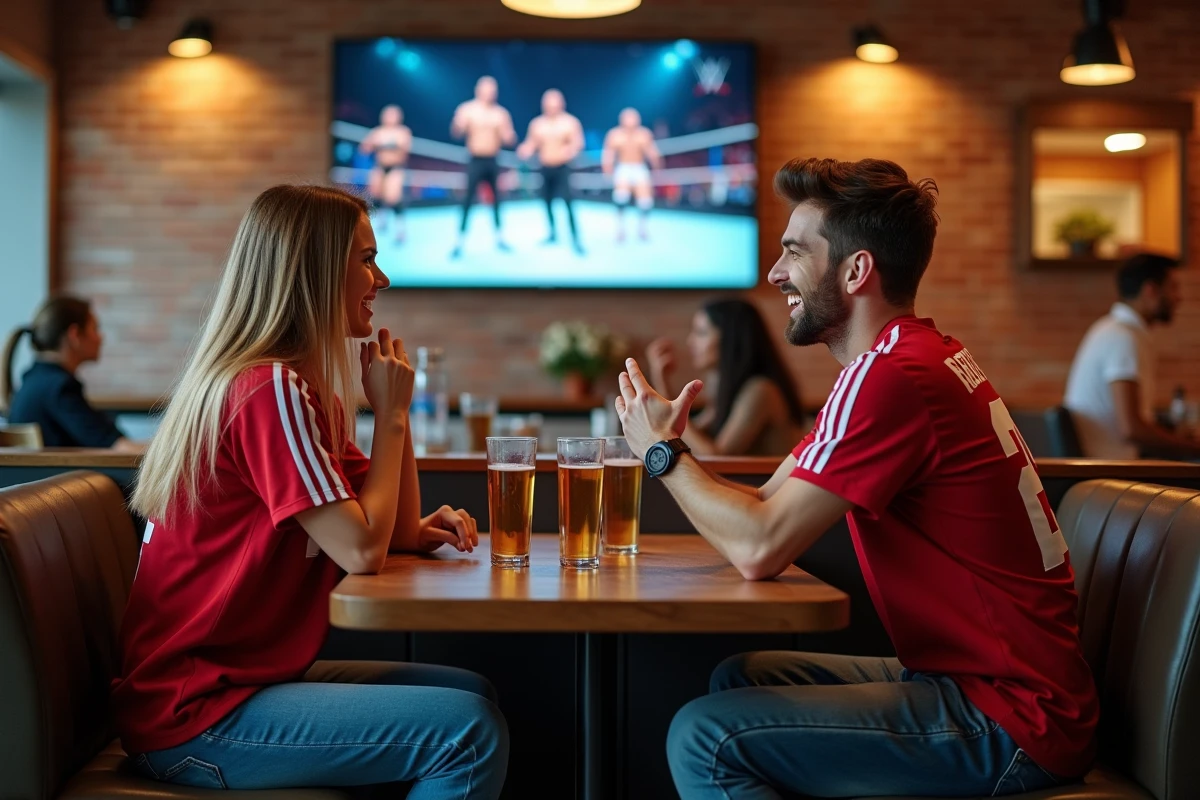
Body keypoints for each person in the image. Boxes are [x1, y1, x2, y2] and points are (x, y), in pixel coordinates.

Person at [614, 158, 1097, 798]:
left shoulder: (893, 377)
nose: (775, 273)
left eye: (792, 253)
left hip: (1014, 717)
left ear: (855, 271)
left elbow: (758, 547)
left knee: (706, 737)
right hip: (983, 681)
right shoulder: (905, 359)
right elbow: (762, 503)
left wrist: (660, 454)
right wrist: (671, 446)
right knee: (743, 676)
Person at [113, 185, 508, 796]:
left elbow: (392, 531)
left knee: (468, 693)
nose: (383, 279)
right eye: (366, 259)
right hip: (197, 714)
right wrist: (395, 416)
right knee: (466, 732)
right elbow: (362, 552)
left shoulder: (292, 387)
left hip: (234, 687)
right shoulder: (269, 390)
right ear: (315, 270)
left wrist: (387, 414)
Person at [1063, 253, 1199, 459]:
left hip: (1104, 467)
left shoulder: (1109, 328)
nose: (1179, 297)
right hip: (1108, 472)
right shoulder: (1123, 338)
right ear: (1150, 290)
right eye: (1173, 288)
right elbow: (1131, 430)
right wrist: (1193, 447)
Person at [644, 298, 805, 455]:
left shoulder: (761, 390)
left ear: (730, 339)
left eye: (701, 333)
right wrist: (662, 380)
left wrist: (666, 399)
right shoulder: (725, 387)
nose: (690, 341)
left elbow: (717, 457)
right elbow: (692, 432)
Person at [1, 297, 140, 451]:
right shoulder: (59, 388)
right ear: (74, 335)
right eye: (95, 329)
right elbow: (119, 447)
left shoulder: (35, 380)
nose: (101, 337)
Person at [450, 76, 516, 259]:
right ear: (478, 89)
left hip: (493, 160)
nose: (490, 92)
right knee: (467, 201)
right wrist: (459, 124)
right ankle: (459, 241)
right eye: (486, 88)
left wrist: (509, 136)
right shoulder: (467, 109)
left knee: (496, 201)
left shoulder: (501, 113)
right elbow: (455, 132)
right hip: (475, 160)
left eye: (493, 89)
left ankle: (500, 238)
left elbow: (509, 138)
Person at [516, 88, 585, 255]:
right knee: (546, 201)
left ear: (561, 103)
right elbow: (531, 143)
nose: (551, 105)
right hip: (545, 167)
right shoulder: (537, 124)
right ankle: (552, 233)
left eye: (554, 102)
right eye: (548, 102)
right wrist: (525, 149)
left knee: (568, 201)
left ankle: (575, 238)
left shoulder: (570, 122)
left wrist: (570, 150)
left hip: (563, 167)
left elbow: (578, 142)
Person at [601, 108, 662, 242]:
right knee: (621, 197)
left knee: (645, 201)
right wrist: (607, 168)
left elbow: (652, 153)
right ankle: (620, 228)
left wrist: (657, 168)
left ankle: (642, 227)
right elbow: (608, 154)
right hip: (623, 167)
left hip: (639, 167)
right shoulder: (615, 134)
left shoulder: (644, 134)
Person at [358, 104, 413, 243]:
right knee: (376, 193)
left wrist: (383, 144)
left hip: (396, 167)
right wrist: (373, 144)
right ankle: (381, 222)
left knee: (393, 197)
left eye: (393, 115)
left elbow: (404, 149)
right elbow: (364, 148)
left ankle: (400, 230)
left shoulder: (403, 131)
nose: (390, 118)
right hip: (379, 166)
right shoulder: (377, 132)